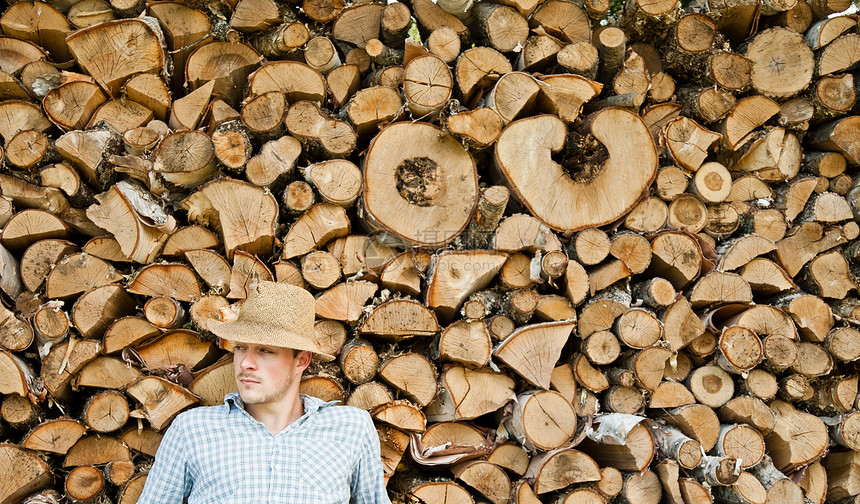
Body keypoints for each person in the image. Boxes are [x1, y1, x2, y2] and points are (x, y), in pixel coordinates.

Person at [137, 281, 392, 504]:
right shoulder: (192, 431)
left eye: (265, 351)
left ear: (301, 360)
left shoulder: (351, 429)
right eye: (240, 348)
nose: (245, 362)